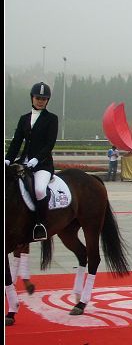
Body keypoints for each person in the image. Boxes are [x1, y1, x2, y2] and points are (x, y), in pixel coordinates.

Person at [5, 82, 58, 241]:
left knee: (40, 190)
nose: (40, 101)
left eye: (44, 98)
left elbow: (50, 144)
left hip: (42, 165)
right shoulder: (24, 119)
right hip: (23, 163)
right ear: (32, 98)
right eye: (38, 98)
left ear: (47, 100)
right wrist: (7, 160)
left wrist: (36, 159)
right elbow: (16, 143)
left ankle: (40, 224)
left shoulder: (51, 119)